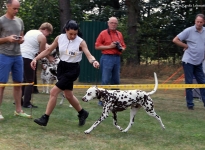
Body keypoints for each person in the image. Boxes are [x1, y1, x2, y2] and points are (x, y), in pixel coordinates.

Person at [30, 20, 100, 126]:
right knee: (68, 95)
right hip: (62, 67)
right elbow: (48, 51)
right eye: (70, 33)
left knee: (53, 92)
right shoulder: (59, 38)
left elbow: (89, 55)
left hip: (73, 69)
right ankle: (82, 113)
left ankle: (45, 118)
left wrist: (94, 61)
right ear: (66, 30)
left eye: (75, 34)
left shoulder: (81, 42)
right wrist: (36, 59)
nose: (73, 36)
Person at [0, 0, 31, 120]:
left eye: (18, 9)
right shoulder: (1, 21)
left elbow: (22, 35)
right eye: (14, 8)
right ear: (8, 6)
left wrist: (21, 39)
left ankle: (19, 110)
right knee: (1, 84)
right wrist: (7, 38)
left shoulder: (19, 21)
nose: (16, 11)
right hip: (3, 55)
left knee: (18, 83)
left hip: (18, 55)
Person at [173, 13, 205, 110]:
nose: (198, 24)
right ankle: (190, 105)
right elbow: (175, 40)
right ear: (195, 21)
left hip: (199, 62)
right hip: (188, 61)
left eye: (200, 22)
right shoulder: (189, 30)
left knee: (203, 82)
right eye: (197, 22)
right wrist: (185, 46)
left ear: (204, 22)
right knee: (189, 83)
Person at [21, 22, 53, 108]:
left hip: (20, 56)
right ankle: (26, 103)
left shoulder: (30, 31)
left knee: (24, 80)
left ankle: (18, 99)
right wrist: (49, 58)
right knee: (30, 81)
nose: (47, 35)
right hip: (28, 58)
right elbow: (42, 52)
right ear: (46, 30)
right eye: (48, 33)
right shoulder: (42, 37)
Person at [95, 16, 126, 106]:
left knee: (116, 80)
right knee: (105, 80)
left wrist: (122, 48)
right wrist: (110, 46)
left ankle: (116, 100)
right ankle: (102, 101)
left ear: (117, 24)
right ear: (108, 23)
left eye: (115, 23)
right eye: (112, 23)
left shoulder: (119, 34)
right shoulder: (103, 33)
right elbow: (97, 46)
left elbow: (123, 46)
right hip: (107, 57)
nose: (113, 24)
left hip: (117, 57)